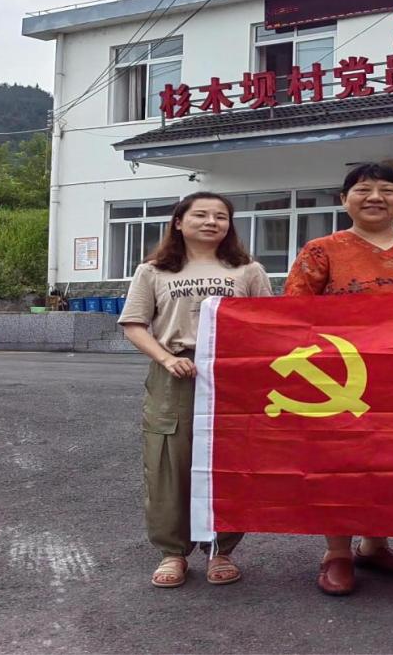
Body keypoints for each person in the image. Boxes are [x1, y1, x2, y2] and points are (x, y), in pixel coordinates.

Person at [283, 162, 393, 596]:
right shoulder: (321, 250)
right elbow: (293, 314)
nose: (375, 197)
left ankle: (376, 545)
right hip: (342, 379)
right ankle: (337, 552)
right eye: (363, 189)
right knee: (340, 464)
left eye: (387, 189)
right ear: (344, 199)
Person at [119, 192, 273, 588]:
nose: (211, 222)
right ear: (178, 222)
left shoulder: (248, 270)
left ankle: (221, 549)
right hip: (175, 372)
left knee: (229, 460)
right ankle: (173, 552)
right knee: (169, 459)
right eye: (200, 215)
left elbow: (269, 323)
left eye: (220, 216)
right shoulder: (153, 271)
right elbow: (134, 324)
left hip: (232, 375)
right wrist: (167, 359)